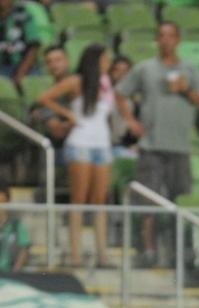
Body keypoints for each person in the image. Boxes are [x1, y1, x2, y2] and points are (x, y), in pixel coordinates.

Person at [38, 44, 137, 267]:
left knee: (100, 202)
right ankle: (76, 254)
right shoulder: (77, 81)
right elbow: (45, 97)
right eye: (105, 58)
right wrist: (68, 115)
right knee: (79, 201)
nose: (108, 62)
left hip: (102, 146)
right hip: (80, 142)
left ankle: (101, 255)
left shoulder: (106, 84)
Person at [117, 22, 199, 266]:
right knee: (149, 201)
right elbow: (120, 93)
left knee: (181, 200)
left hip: (180, 147)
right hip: (151, 145)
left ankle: (180, 252)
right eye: (161, 36)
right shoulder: (145, 69)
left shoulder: (190, 69)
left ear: (178, 39)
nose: (166, 40)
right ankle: (148, 250)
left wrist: (185, 90)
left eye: (170, 36)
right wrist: (130, 120)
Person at [0, 0, 40, 83]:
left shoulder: (24, 12)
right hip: (0, 67)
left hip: (26, 66)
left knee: (34, 83)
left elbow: (34, 47)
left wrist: (20, 75)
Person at [29, 45, 74, 146]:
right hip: (62, 149)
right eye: (49, 62)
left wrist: (70, 123)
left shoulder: (82, 86)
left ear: (67, 61)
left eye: (58, 60)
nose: (54, 65)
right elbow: (58, 132)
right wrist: (80, 123)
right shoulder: (46, 99)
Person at [108, 55, 137, 158]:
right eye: (117, 70)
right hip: (107, 146)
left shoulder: (137, 100)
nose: (121, 75)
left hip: (127, 146)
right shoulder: (104, 96)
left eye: (125, 71)